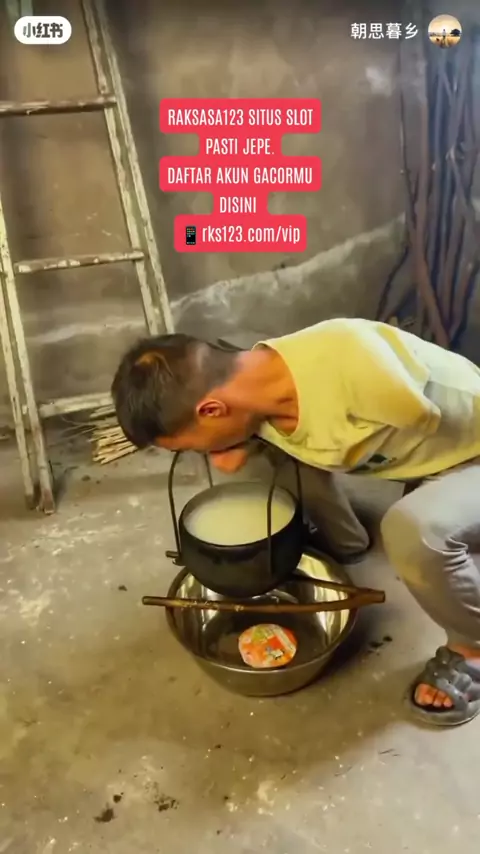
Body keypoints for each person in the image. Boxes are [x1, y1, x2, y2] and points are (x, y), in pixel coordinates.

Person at [111, 318, 480, 727]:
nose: (209, 456)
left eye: (196, 447)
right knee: (268, 453)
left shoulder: (358, 366)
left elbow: (435, 419)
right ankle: (347, 544)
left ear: (212, 409)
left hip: (472, 450)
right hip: (429, 456)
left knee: (414, 530)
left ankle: (472, 649)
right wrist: (238, 438)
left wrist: (431, 497)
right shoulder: (254, 381)